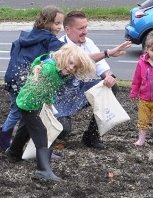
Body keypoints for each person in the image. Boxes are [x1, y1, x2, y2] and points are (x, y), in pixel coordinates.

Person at [10, 44, 96, 181]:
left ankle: (13, 152)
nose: (71, 68)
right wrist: (37, 69)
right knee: (40, 132)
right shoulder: (50, 68)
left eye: (75, 67)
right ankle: (43, 170)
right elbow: (41, 66)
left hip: (32, 102)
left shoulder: (62, 74)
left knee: (25, 128)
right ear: (64, 57)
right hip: (28, 103)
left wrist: (49, 101)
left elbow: (49, 86)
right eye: (71, 63)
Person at [55, 10, 131, 149]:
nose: (85, 32)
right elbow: (79, 61)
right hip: (61, 96)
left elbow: (102, 67)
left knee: (111, 87)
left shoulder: (88, 42)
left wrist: (109, 77)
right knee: (62, 130)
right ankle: (48, 133)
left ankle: (91, 136)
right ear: (68, 29)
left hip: (79, 90)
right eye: (81, 28)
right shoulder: (59, 46)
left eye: (86, 27)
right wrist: (107, 53)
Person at [0, 6, 64, 153]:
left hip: (13, 79)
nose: (60, 27)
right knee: (28, 113)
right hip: (25, 81)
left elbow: (13, 54)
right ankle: (10, 147)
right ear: (46, 22)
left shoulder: (26, 36)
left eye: (61, 23)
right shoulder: (48, 38)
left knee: (19, 111)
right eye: (57, 23)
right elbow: (64, 53)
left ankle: (7, 144)